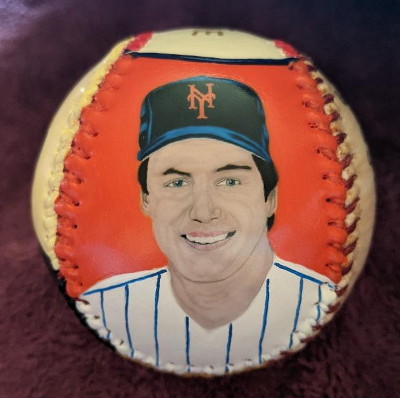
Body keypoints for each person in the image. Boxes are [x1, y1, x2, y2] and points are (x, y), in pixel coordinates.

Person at [79, 77, 337, 374]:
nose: (203, 212)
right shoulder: (104, 306)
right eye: (177, 182)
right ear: (146, 199)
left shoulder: (320, 299)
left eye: (230, 181)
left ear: (269, 198)